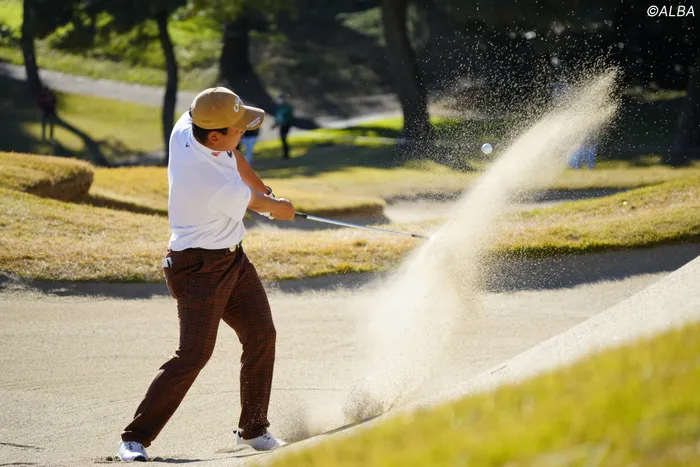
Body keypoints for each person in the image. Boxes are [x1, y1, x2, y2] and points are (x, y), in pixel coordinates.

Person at [117, 87, 295, 463]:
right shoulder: (211, 181)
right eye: (238, 129)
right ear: (214, 135)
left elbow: (235, 158)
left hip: (232, 260)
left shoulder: (188, 126)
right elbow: (257, 204)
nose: (243, 132)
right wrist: (278, 207)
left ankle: (253, 429)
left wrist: (265, 190)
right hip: (197, 268)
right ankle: (134, 439)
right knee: (194, 354)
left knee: (261, 334)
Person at [272, 94, 294, 159]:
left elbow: (289, 117)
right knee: (283, 139)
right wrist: (275, 124)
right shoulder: (278, 108)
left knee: (283, 138)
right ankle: (285, 154)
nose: (278, 101)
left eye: (279, 100)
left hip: (286, 125)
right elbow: (278, 118)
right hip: (282, 125)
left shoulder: (287, 107)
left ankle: (286, 154)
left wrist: (285, 122)